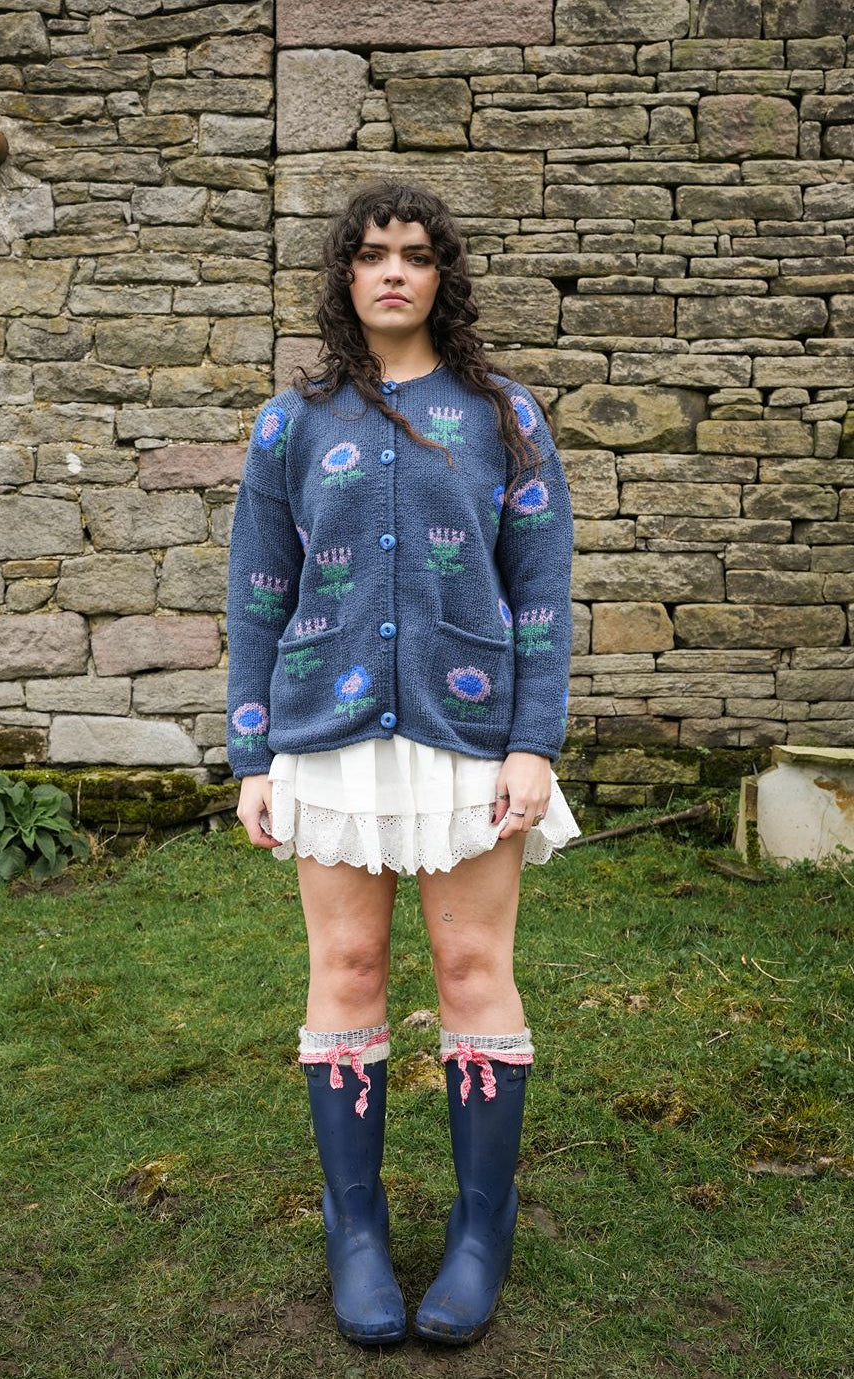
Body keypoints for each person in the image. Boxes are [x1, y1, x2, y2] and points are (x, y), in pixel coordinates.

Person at [226, 180, 579, 1347]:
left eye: (415, 255)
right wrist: (252, 751)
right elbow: (257, 592)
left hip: (467, 735)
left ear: (441, 277)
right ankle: (356, 1228)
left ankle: (480, 1228)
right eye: (372, 252)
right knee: (348, 964)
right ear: (345, 274)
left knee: (470, 966)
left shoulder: (503, 415)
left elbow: (539, 589)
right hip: (326, 736)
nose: (392, 270)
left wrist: (531, 740)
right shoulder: (290, 423)